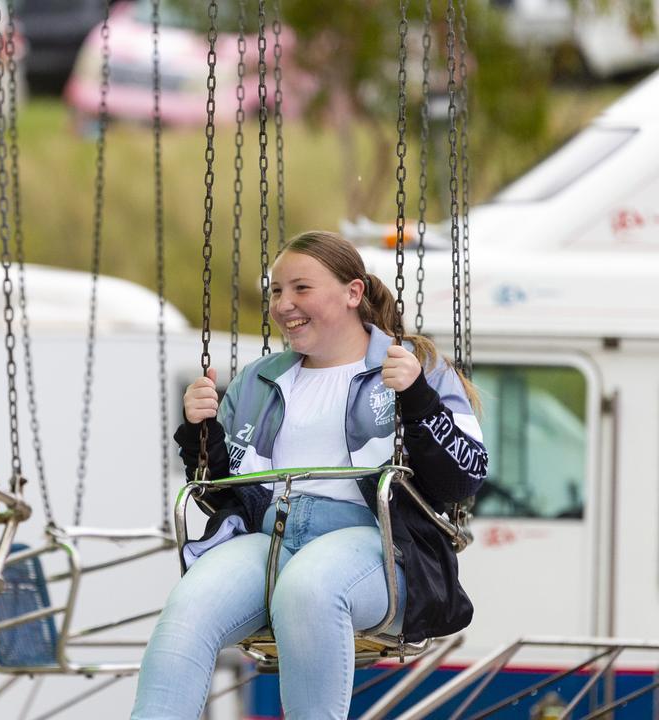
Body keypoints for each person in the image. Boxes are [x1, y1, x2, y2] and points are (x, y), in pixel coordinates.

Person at [132, 230, 488, 719]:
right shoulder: (259, 380)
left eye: (301, 288)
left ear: (352, 293)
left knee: (309, 588)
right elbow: (224, 494)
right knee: (188, 608)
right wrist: (202, 435)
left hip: (379, 544)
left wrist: (419, 399)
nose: (284, 304)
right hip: (273, 536)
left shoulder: (413, 367)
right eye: (277, 291)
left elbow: (463, 479)